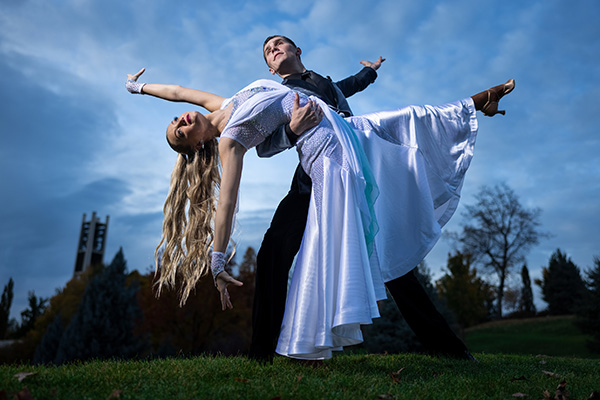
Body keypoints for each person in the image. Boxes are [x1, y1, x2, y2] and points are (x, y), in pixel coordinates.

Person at [125, 64, 515, 360]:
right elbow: (227, 201)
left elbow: (176, 91)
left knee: (406, 121)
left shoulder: (220, 104)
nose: (182, 121)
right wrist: (216, 256)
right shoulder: (229, 143)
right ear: (194, 147)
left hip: (344, 130)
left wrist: (138, 87)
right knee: (333, 242)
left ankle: (477, 103)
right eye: (179, 133)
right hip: (324, 155)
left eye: (177, 120)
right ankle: (304, 340)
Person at [251, 35, 384, 362]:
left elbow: (350, 85)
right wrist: (293, 130)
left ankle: (445, 344)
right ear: (270, 69)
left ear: (297, 50)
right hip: (310, 181)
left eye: (279, 44)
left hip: (352, 171)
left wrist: (372, 71)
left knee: (381, 246)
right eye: (268, 51)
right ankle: (262, 351)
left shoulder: (325, 83)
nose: (274, 49)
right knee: (273, 252)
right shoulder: (277, 92)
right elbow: (262, 147)